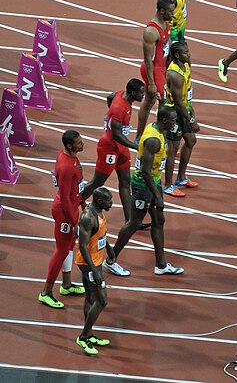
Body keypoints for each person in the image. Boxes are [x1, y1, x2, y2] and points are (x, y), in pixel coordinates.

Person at [105, 106, 184, 276]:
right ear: (164, 120)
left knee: (158, 220)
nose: (174, 123)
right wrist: (157, 195)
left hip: (153, 182)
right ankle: (111, 260)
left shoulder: (157, 129)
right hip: (143, 186)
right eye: (172, 120)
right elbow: (144, 171)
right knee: (133, 223)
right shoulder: (153, 140)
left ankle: (161, 265)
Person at [82, 78, 145, 225]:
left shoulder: (122, 95)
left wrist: (108, 110)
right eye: (141, 93)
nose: (143, 96)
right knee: (97, 182)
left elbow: (110, 96)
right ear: (134, 93)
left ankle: (130, 220)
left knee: (125, 181)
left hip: (120, 148)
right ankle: (74, 204)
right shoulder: (119, 108)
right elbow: (116, 135)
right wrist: (136, 146)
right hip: (109, 148)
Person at [38, 130, 86, 309]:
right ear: (69, 145)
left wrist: (82, 203)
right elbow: (65, 197)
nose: (82, 145)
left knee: (68, 247)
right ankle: (46, 292)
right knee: (61, 250)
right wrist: (74, 221)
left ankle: (66, 285)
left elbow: (76, 186)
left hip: (72, 208)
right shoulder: (66, 167)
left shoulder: (72, 157)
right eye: (79, 143)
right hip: (64, 213)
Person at [75, 186, 114, 355]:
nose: (111, 203)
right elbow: (82, 246)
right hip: (89, 264)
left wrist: (109, 247)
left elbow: (98, 234)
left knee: (90, 297)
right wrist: (95, 270)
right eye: (109, 201)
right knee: (102, 301)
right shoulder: (87, 217)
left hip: (95, 260)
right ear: (99, 201)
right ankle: (83, 337)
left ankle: (89, 333)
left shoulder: (99, 211)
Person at [135, 0, 175, 142]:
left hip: (162, 67)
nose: (173, 14)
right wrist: (151, 83)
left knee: (149, 101)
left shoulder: (165, 23)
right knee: (164, 101)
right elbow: (148, 59)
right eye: (171, 11)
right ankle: (160, 137)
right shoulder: (151, 31)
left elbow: (165, 46)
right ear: (162, 11)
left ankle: (139, 136)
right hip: (153, 69)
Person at [163, 42, 200, 197]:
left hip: (184, 108)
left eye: (188, 51)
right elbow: (177, 102)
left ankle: (181, 177)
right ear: (177, 56)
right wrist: (191, 121)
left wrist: (191, 110)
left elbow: (184, 98)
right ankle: (168, 185)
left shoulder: (185, 65)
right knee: (172, 150)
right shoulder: (174, 74)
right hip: (173, 114)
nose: (188, 54)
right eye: (185, 53)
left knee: (191, 140)